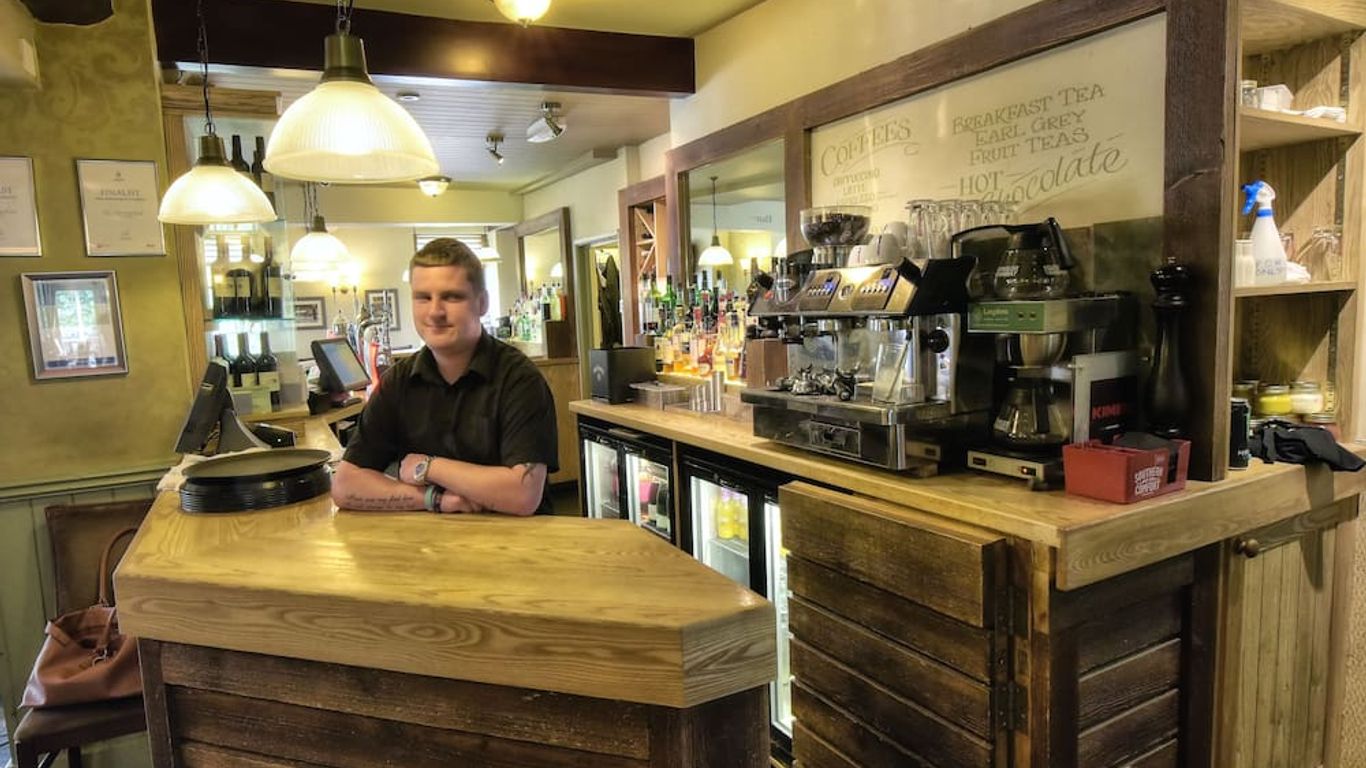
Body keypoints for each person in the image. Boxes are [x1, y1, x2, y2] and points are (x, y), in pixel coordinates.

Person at [331, 238, 558, 515]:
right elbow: (344, 485)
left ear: (482, 303)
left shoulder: (521, 380)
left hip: (517, 548)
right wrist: (434, 498)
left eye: (452, 296)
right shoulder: (398, 382)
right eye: (423, 297)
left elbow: (522, 495)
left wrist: (429, 466)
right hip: (427, 547)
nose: (435, 311)